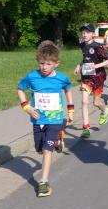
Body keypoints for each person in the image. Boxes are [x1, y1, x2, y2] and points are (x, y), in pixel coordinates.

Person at [17, 40, 74, 197]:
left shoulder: (61, 78)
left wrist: (71, 110)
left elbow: (68, 90)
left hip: (55, 120)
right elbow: (20, 89)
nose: (44, 67)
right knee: (40, 150)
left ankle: (43, 182)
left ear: (56, 64)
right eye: (42, 63)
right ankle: (58, 140)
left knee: (47, 150)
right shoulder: (32, 76)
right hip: (38, 119)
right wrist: (26, 107)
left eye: (48, 64)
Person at [74, 24, 108, 138]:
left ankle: (105, 110)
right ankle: (86, 128)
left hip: (98, 77)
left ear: (92, 34)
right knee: (84, 102)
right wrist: (79, 65)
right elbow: (85, 58)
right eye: (83, 32)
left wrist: (96, 66)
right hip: (86, 77)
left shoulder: (98, 46)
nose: (84, 34)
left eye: (87, 32)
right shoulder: (82, 45)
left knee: (96, 103)